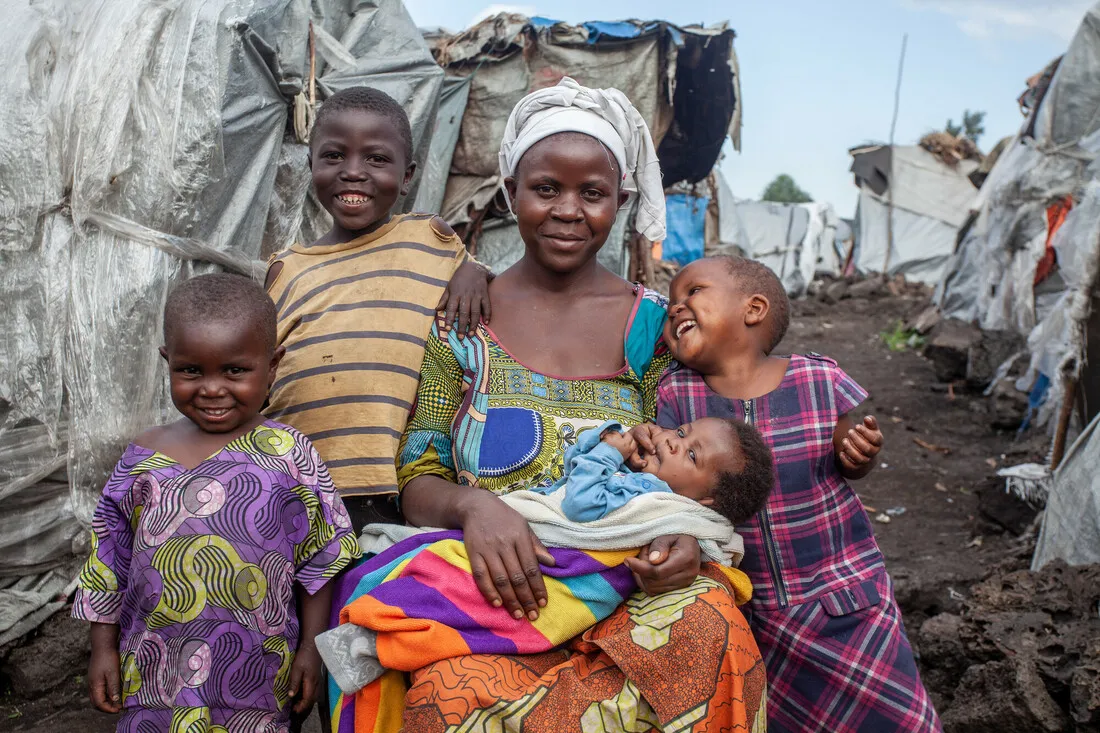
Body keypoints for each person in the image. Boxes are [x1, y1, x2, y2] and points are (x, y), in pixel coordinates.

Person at [329, 77, 767, 732]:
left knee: (715, 631)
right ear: (511, 192)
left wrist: (679, 535)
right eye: (545, 189)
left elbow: (686, 459)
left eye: (592, 193)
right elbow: (419, 471)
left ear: (620, 200)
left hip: (625, 583)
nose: (568, 209)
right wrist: (473, 506)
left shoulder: (652, 330)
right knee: (438, 688)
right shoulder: (461, 322)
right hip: (490, 592)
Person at [655, 255, 942, 732]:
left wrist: (859, 455)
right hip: (753, 610)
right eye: (670, 304)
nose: (676, 308)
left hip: (844, 600)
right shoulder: (676, 395)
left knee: (894, 716)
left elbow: (849, 459)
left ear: (754, 308)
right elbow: (668, 483)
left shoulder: (817, 380)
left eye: (693, 292)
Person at [71, 274, 361, 732]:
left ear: (273, 365)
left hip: (257, 683)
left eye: (234, 370)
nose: (211, 388)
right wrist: (102, 649)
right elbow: (107, 564)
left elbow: (321, 560)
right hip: (153, 681)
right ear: (168, 362)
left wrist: (311, 648)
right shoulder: (141, 459)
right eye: (191, 370)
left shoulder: (290, 455)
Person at [263, 87, 492, 530]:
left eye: (376, 159)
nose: (353, 172)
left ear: (406, 177)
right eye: (333, 156)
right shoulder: (285, 269)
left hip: (396, 490)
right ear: (310, 166)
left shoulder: (431, 239)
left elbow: (489, 291)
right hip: (296, 488)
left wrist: (475, 269)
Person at [547, 418, 774, 524]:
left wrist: (608, 453)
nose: (673, 443)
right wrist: (617, 439)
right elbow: (574, 467)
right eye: (682, 433)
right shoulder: (640, 477)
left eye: (692, 455)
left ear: (704, 500)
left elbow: (578, 505)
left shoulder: (650, 498)